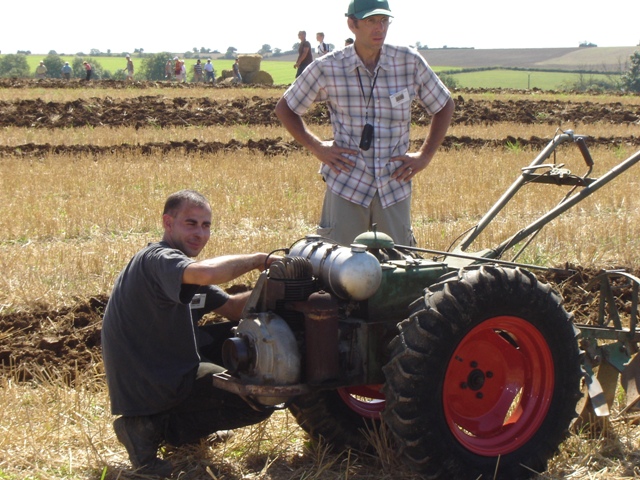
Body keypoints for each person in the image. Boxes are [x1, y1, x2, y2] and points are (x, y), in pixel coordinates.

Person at [102, 189, 277, 476]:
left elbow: (233, 309)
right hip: (148, 377)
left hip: (162, 364)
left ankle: (185, 430)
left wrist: (273, 288)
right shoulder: (160, 258)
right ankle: (144, 426)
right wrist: (258, 260)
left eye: (206, 225)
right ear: (167, 223)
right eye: (191, 223)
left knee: (235, 337)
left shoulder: (182, 269)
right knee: (259, 399)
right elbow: (205, 274)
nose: (200, 233)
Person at [275, 0, 455, 247]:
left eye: (383, 21)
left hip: (393, 187)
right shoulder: (329, 67)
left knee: (398, 271)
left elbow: (444, 105)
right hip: (347, 185)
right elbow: (286, 108)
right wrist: (318, 147)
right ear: (352, 24)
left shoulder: (408, 62)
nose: (379, 28)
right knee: (340, 273)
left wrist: (424, 156)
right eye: (371, 21)